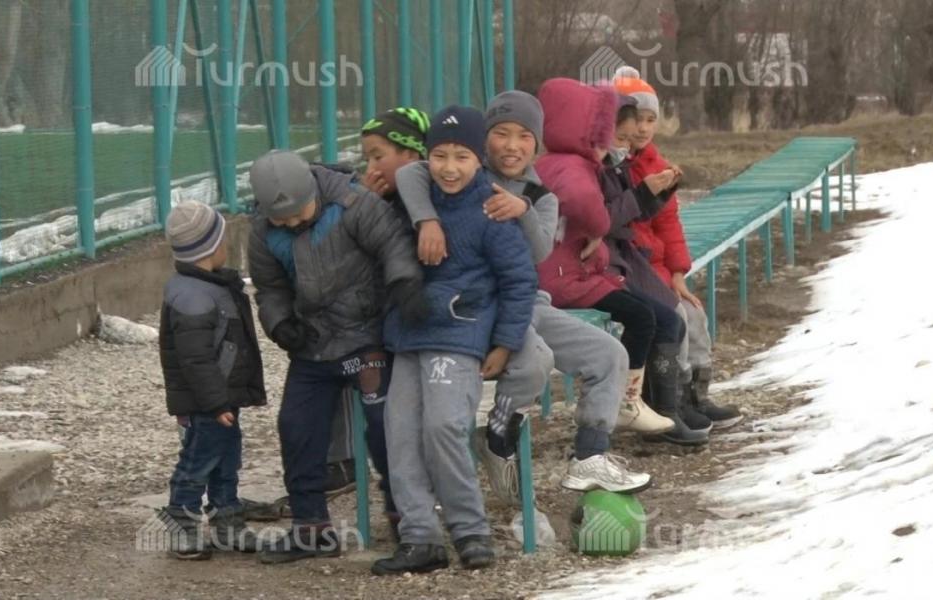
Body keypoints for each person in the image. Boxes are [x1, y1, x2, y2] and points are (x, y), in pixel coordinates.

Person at [395, 90, 652, 505]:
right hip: (472, 308)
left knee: (610, 355)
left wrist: (523, 211)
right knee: (534, 361)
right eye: (501, 133)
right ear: (484, 138)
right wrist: (427, 220)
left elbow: (539, 252)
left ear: (537, 142)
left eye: (524, 136)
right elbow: (409, 174)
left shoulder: (539, 195)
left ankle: (584, 454)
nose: (511, 146)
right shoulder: (458, 169)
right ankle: (480, 452)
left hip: (527, 304)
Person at [372, 105, 538, 575]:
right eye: (440, 156)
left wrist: (504, 343)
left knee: (444, 428)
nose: (449, 168)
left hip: (458, 334)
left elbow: (520, 281)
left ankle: (470, 530)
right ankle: (420, 537)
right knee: (400, 433)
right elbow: (399, 180)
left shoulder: (491, 209)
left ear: (479, 159)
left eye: (461, 157)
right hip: (409, 335)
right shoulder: (413, 200)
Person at [247, 149, 427, 564]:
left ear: (312, 192)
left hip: (367, 338)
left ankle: (407, 519)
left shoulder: (353, 203)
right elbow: (270, 288)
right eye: (280, 219)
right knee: (297, 427)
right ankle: (311, 528)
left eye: (298, 213)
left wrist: (405, 286)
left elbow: (394, 247)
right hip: (312, 344)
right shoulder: (261, 231)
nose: (291, 223)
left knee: (385, 425)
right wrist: (280, 323)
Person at [533, 77, 689, 442]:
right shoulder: (573, 166)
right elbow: (595, 210)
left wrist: (654, 193)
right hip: (568, 275)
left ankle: (662, 404)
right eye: (613, 137)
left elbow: (623, 217)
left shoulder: (581, 164)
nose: (620, 146)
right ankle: (629, 403)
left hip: (584, 269)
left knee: (663, 316)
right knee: (647, 317)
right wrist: (602, 224)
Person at [614, 69, 743, 433]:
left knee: (694, 313)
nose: (642, 128)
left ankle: (694, 396)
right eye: (635, 119)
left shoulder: (657, 164)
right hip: (628, 264)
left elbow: (669, 225)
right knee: (676, 318)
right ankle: (666, 401)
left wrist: (677, 273)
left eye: (650, 119)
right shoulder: (615, 165)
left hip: (655, 266)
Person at [158, 200, 266, 559]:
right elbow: (196, 360)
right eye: (222, 239)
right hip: (207, 403)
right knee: (196, 464)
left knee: (226, 463)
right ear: (209, 247)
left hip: (221, 399)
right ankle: (181, 525)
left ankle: (228, 522)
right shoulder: (193, 297)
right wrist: (216, 403)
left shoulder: (211, 285)